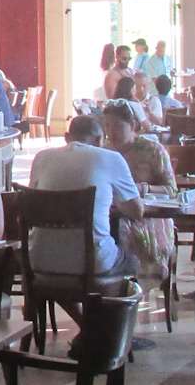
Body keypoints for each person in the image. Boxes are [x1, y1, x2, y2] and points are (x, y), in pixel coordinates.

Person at [25, 113, 144, 282]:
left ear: (67, 137)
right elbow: (137, 211)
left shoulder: (41, 158)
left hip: (39, 259)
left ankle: (68, 299)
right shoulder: (111, 158)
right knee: (133, 262)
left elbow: (33, 203)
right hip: (93, 262)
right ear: (99, 139)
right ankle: (107, 299)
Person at [98, 103, 175, 287]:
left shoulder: (153, 150)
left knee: (128, 233)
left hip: (147, 215)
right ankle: (108, 284)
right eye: (107, 126)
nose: (111, 132)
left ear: (132, 125)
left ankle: (133, 284)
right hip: (110, 215)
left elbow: (171, 190)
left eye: (117, 126)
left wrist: (141, 189)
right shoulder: (104, 152)